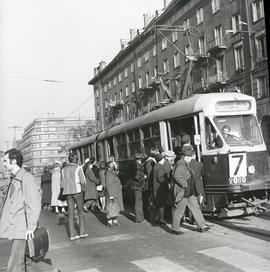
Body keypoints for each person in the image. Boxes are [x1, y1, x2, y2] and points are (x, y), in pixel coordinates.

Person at [0, 148, 41, 272]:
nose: (3, 164)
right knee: (18, 263)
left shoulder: (26, 177)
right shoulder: (15, 178)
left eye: (5, 161)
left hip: (22, 227)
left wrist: (31, 227)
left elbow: (33, 203)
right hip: (16, 226)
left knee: (16, 265)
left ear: (13, 161)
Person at [171, 145, 210, 234]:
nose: (190, 158)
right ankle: (175, 228)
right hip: (184, 191)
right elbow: (177, 176)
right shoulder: (181, 164)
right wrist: (185, 184)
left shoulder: (184, 163)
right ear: (185, 156)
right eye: (189, 156)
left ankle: (202, 225)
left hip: (189, 191)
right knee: (180, 210)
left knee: (195, 207)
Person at [61, 153, 88, 241]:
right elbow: (83, 181)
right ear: (76, 160)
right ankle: (82, 232)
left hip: (68, 193)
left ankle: (72, 235)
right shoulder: (78, 168)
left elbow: (62, 183)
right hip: (77, 192)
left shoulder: (63, 169)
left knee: (71, 213)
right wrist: (82, 191)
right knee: (81, 211)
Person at [105, 160, 124, 226]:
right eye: (114, 164)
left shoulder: (112, 172)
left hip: (116, 193)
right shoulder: (109, 173)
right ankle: (110, 221)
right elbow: (108, 184)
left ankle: (115, 220)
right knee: (111, 207)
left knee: (115, 207)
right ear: (110, 165)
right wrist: (110, 194)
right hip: (113, 193)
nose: (116, 165)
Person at [153, 153, 170, 224]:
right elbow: (160, 178)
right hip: (160, 188)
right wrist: (167, 184)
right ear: (161, 160)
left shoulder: (156, 165)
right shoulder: (159, 166)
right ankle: (161, 219)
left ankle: (157, 217)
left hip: (156, 187)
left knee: (158, 203)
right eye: (163, 159)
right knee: (162, 203)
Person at [131, 153, 146, 223]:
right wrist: (144, 178)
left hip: (136, 185)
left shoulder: (135, 164)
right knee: (138, 202)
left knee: (139, 201)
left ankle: (140, 218)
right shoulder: (137, 165)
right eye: (141, 158)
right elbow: (137, 176)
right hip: (138, 185)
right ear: (139, 158)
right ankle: (139, 219)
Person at [144, 148, 157, 214]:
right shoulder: (150, 162)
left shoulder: (150, 161)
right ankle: (150, 205)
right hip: (150, 181)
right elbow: (150, 174)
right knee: (150, 194)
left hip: (150, 180)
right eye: (156, 152)